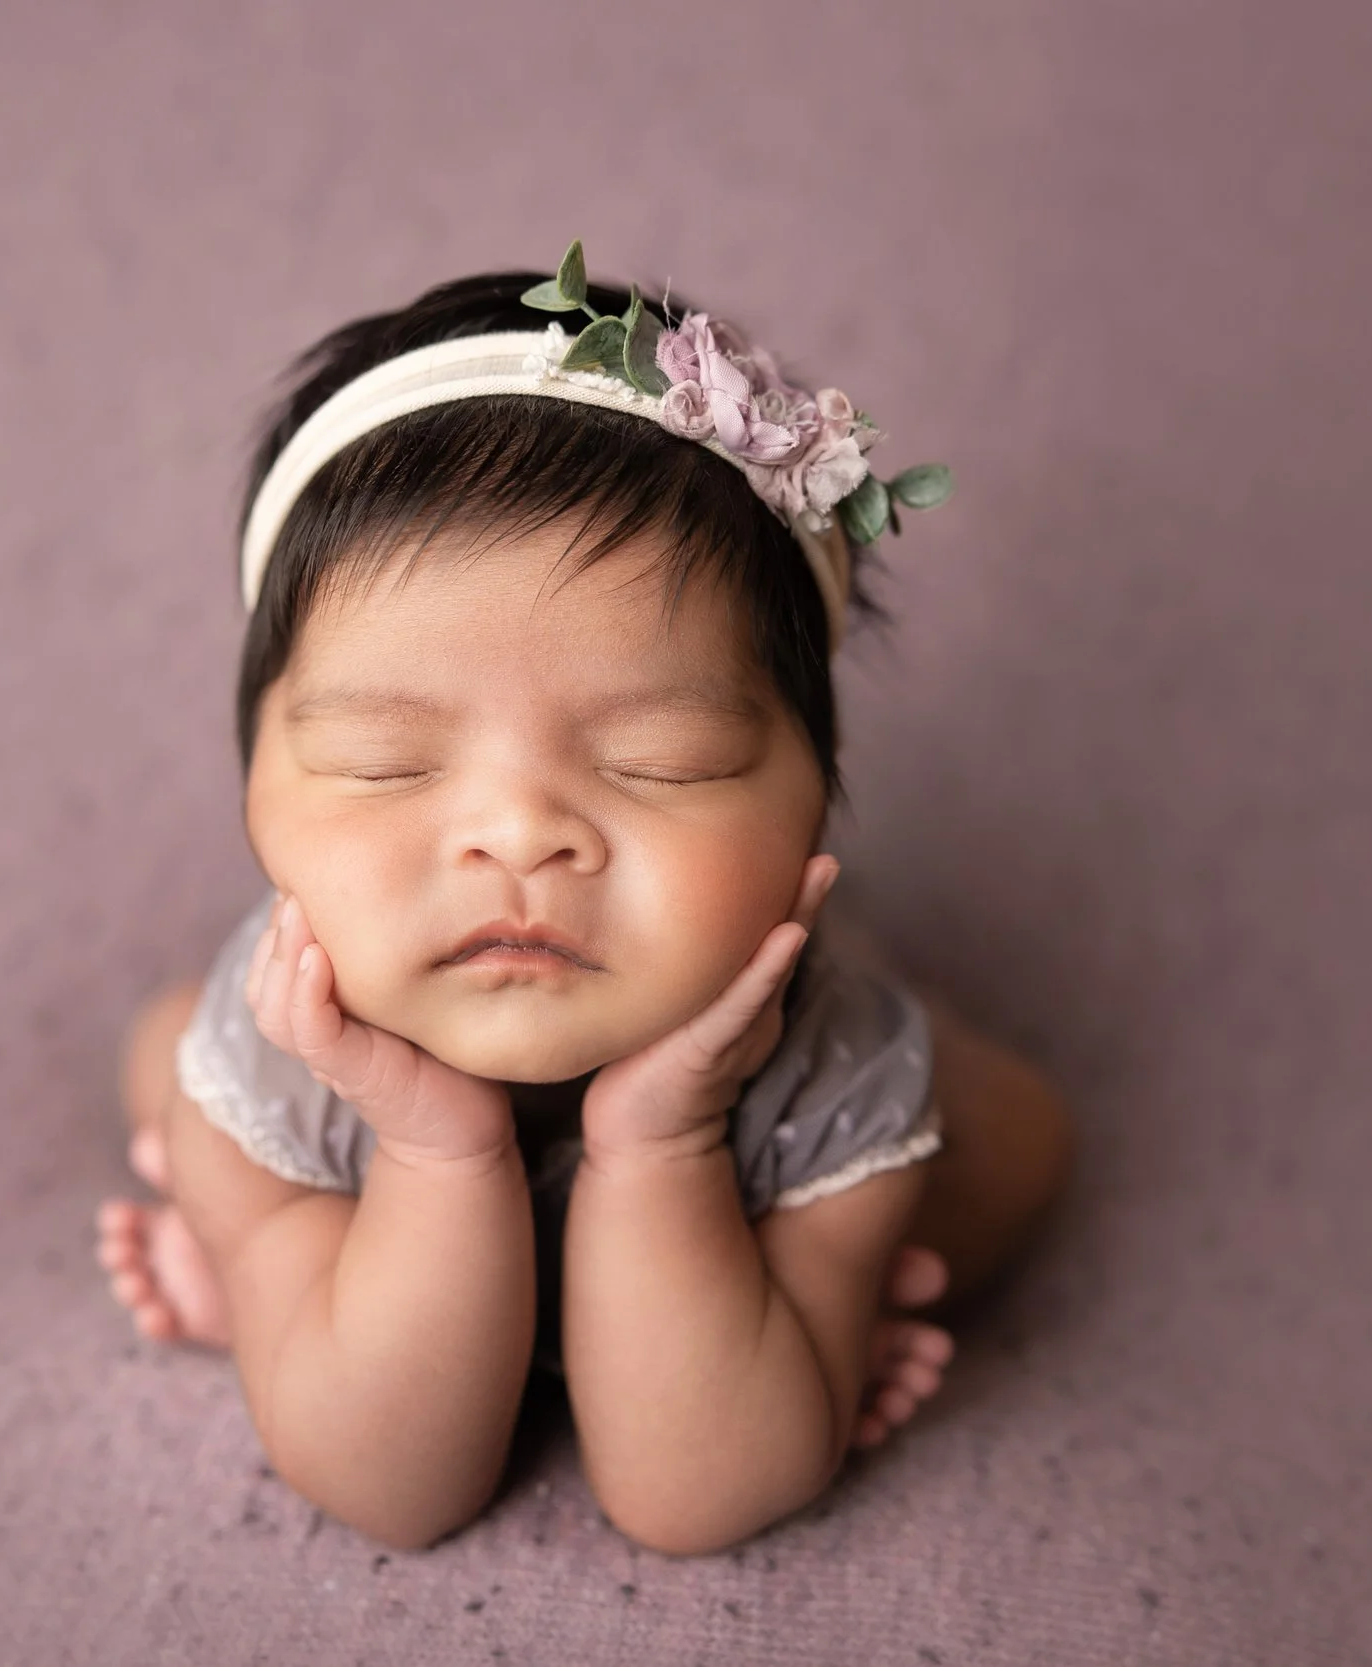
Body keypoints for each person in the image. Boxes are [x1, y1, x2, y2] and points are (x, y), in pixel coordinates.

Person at [94, 244, 1075, 1555]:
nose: (519, 837)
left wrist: (666, 1140)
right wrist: (434, 1144)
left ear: (816, 798)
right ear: (258, 787)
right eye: (385, 763)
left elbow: (697, 1496)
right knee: (165, 1064)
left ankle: (793, 1308)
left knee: (1012, 1148)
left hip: (756, 1135)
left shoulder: (829, 1074)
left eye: (662, 761)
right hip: (349, 1142)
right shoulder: (284, 1071)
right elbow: (396, 1491)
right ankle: (294, 1284)